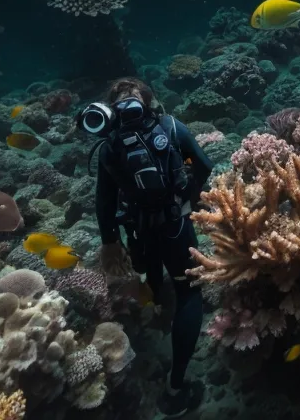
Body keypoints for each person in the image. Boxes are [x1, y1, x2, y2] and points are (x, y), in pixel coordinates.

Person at [87, 78, 214, 415]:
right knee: (189, 293)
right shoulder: (171, 127)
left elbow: (105, 199)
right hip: (177, 227)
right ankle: (176, 387)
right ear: (149, 100)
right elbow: (201, 164)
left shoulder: (110, 145)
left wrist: (110, 242)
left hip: (139, 232)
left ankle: (159, 312)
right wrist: (186, 190)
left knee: (154, 276)